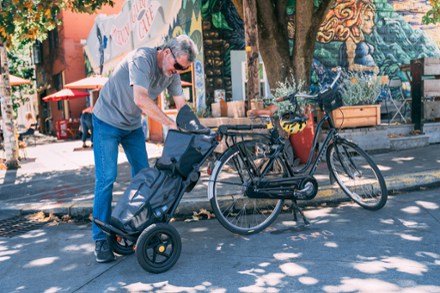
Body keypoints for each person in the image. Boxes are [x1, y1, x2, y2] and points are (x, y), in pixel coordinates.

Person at [91, 35, 198, 263]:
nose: (178, 71)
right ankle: (100, 239)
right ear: (167, 52)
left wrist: (199, 130)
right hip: (106, 121)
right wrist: (170, 124)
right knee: (106, 178)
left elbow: (181, 107)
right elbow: (140, 99)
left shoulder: (172, 74)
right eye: (177, 65)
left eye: (183, 69)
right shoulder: (142, 59)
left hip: (131, 126)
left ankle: (139, 225)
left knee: (144, 176)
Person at [317, 0, 379, 75]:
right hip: (357, 80)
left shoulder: (359, 37)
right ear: (357, 19)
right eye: (367, 19)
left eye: (372, 19)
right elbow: (351, 67)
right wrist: (370, 68)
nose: (372, 24)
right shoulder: (350, 40)